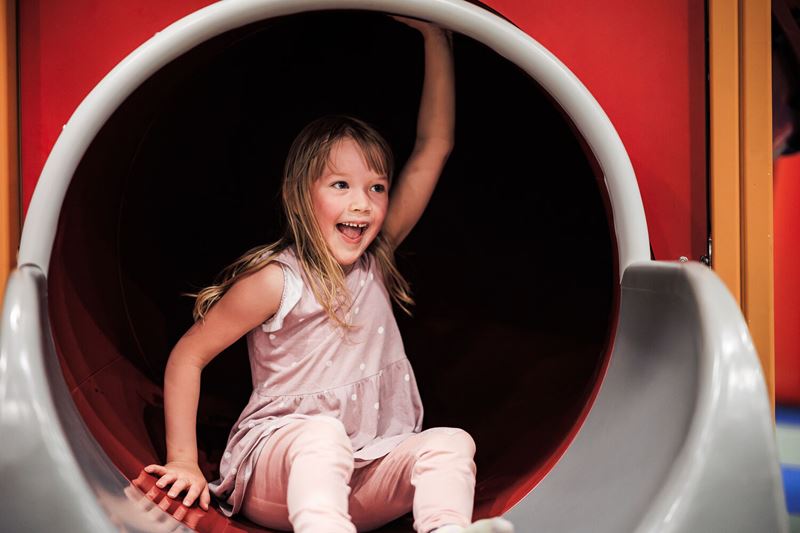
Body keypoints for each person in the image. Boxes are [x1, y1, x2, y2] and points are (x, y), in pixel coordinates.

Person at [144, 15, 514, 533]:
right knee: (322, 436)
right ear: (301, 194)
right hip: (278, 473)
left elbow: (434, 147)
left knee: (451, 444)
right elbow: (189, 355)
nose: (362, 203)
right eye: (341, 185)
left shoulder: (374, 259)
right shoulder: (277, 281)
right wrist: (183, 459)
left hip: (363, 474)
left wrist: (436, 35)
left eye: (376, 187)